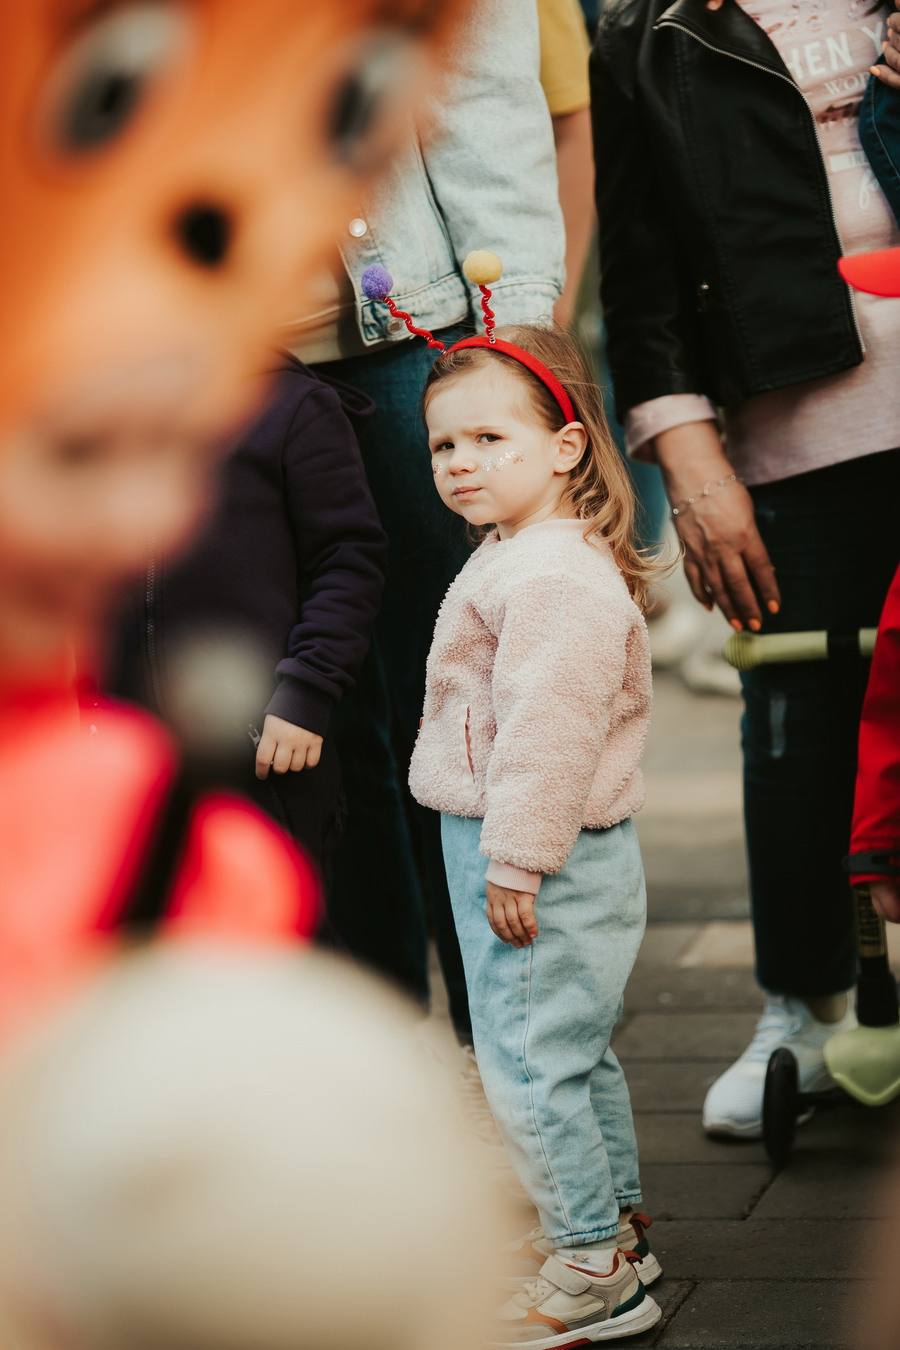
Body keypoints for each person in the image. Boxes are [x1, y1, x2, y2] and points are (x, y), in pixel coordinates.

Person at [592, 0, 900, 1139]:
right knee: (796, 718)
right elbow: (641, 270)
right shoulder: (651, 29)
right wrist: (694, 457)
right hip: (797, 433)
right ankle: (805, 1010)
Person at [288, 0, 566, 1038]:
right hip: (215, 370)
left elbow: (487, 97)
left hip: (416, 347)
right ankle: (384, 1074)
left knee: (454, 711)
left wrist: (514, 361)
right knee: (301, 734)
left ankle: (512, 1061)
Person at [408, 321, 661, 1346]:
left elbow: (548, 738)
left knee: (526, 1062)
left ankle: (592, 1266)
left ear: (564, 448)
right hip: (535, 847)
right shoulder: (522, 556)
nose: (462, 463)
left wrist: (514, 860)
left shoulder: (550, 580)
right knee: (572, 1051)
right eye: (442, 447)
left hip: (533, 852)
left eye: (488, 440)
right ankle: (613, 1230)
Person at [111, 354, 387, 874]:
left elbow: (347, 559)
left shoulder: (293, 405)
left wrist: (307, 690)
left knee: (278, 928)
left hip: (267, 740)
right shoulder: (100, 412)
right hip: (129, 750)